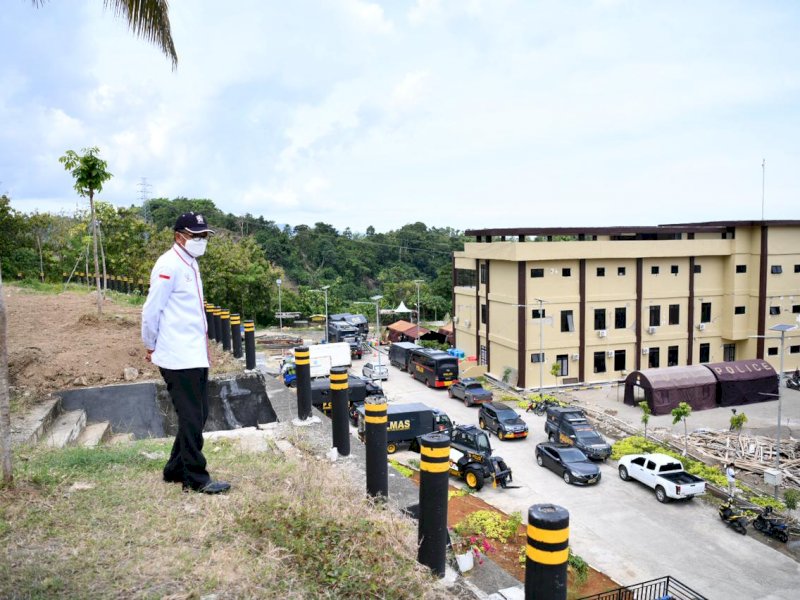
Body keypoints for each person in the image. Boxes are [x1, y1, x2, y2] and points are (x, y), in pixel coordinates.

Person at [141, 212, 231, 495]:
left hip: (193, 354)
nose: (202, 240)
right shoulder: (168, 265)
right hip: (177, 356)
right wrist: (150, 343)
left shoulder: (189, 263)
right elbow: (151, 310)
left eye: (204, 236)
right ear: (180, 236)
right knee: (192, 417)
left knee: (199, 414)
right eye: (196, 235)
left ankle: (174, 468)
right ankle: (195, 477)